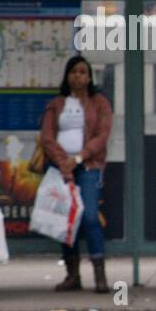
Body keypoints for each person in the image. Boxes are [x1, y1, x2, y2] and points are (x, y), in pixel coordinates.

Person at [38, 55, 114, 292]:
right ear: (67, 76)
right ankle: (73, 275)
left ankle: (99, 275)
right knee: (65, 219)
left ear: (90, 77)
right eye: (74, 72)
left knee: (90, 217)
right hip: (61, 168)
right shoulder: (57, 104)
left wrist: (79, 158)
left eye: (83, 72)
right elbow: (47, 136)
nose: (78, 76)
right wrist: (64, 162)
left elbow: (102, 135)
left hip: (88, 166)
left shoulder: (99, 102)